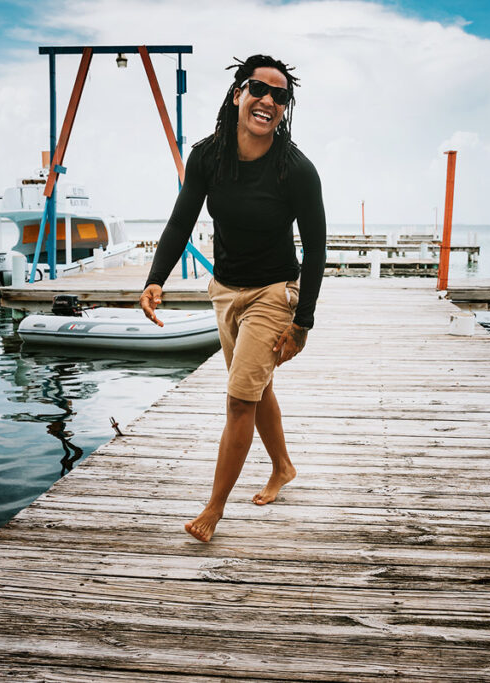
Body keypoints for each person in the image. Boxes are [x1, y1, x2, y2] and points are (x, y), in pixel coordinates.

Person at [139, 54, 326, 542]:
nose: (268, 100)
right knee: (257, 388)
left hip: (274, 293)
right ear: (238, 93)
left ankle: (213, 510)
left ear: (284, 108)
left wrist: (302, 323)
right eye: (258, 89)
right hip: (224, 291)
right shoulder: (208, 156)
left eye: (280, 96)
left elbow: (316, 249)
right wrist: (156, 278)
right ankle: (282, 466)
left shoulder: (296, 170)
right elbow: (181, 220)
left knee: (240, 399)